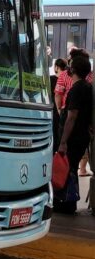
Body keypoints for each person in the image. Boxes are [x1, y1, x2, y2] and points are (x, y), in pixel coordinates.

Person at [56, 55, 93, 214]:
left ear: (74, 70)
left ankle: (66, 203)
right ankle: (68, 202)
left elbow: (71, 116)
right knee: (70, 170)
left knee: (67, 169)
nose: (67, 69)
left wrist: (63, 141)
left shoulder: (77, 89)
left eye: (70, 66)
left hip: (73, 137)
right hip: (82, 135)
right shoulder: (87, 86)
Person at [51, 58, 67, 153]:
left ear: (56, 67)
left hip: (53, 110)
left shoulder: (51, 79)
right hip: (64, 112)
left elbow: (56, 95)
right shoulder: (68, 80)